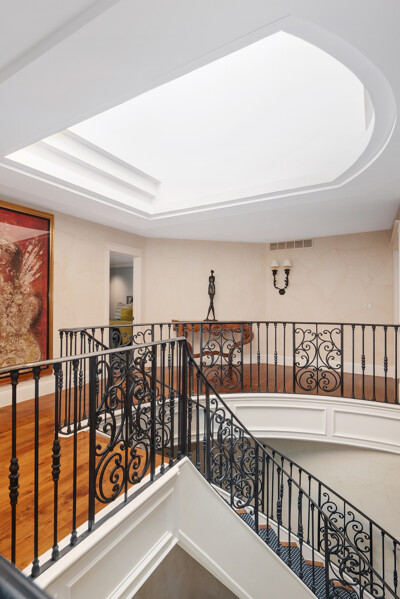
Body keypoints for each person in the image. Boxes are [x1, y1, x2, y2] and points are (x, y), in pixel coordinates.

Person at [0, 236, 43, 368]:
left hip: (15, 351)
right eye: (0, 248)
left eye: (7, 251)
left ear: (13, 258)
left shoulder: (23, 289)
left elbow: (23, 325)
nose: (2, 253)